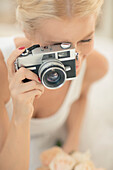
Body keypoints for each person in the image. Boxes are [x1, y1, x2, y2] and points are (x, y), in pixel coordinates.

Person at [0, 0, 108, 170]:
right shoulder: (1, 70)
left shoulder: (95, 66)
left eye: (86, 39)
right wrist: (21, 113)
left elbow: (81, 95)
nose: (76, 57)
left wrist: (71, 147)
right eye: (58, 47)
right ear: (27, 31)